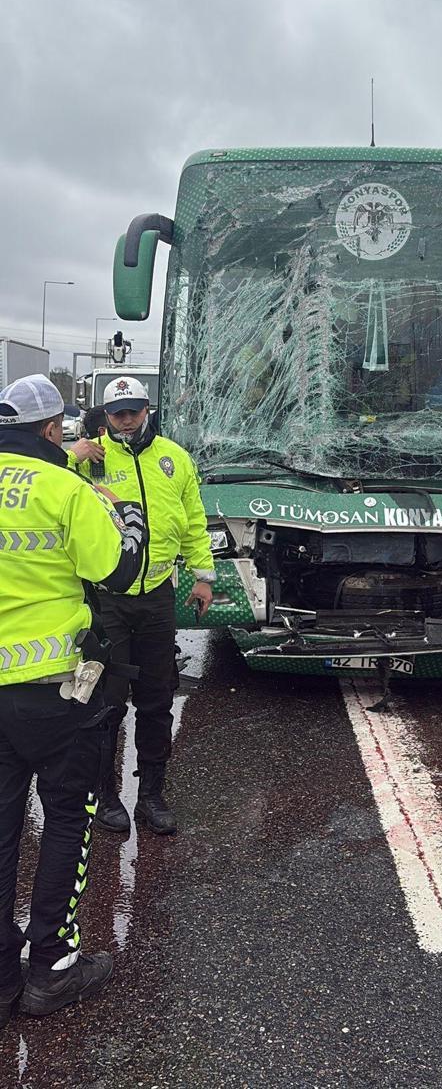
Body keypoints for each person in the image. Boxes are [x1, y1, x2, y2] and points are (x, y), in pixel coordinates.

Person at [0, 374, 146, 1023]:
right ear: (54, 429)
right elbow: (116, 570)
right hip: (58, 687)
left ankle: (2, 973)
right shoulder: (65, 487)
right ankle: (52, 966)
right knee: (65, 817)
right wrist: (132, 525)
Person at [68, 376, 215, 836]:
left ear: (146, 409)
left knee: (155, 700)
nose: (126, 419)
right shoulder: (90, 457)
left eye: (133, 410)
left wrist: (203, 576)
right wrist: (71, 458)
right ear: (106, 417)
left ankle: (152, 792)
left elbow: (193, 521)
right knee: (106, 703)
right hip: (107, 601)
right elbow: (54, 495)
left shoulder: (175, 458)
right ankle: (107, 795)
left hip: (157, 597)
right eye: (117, 413)